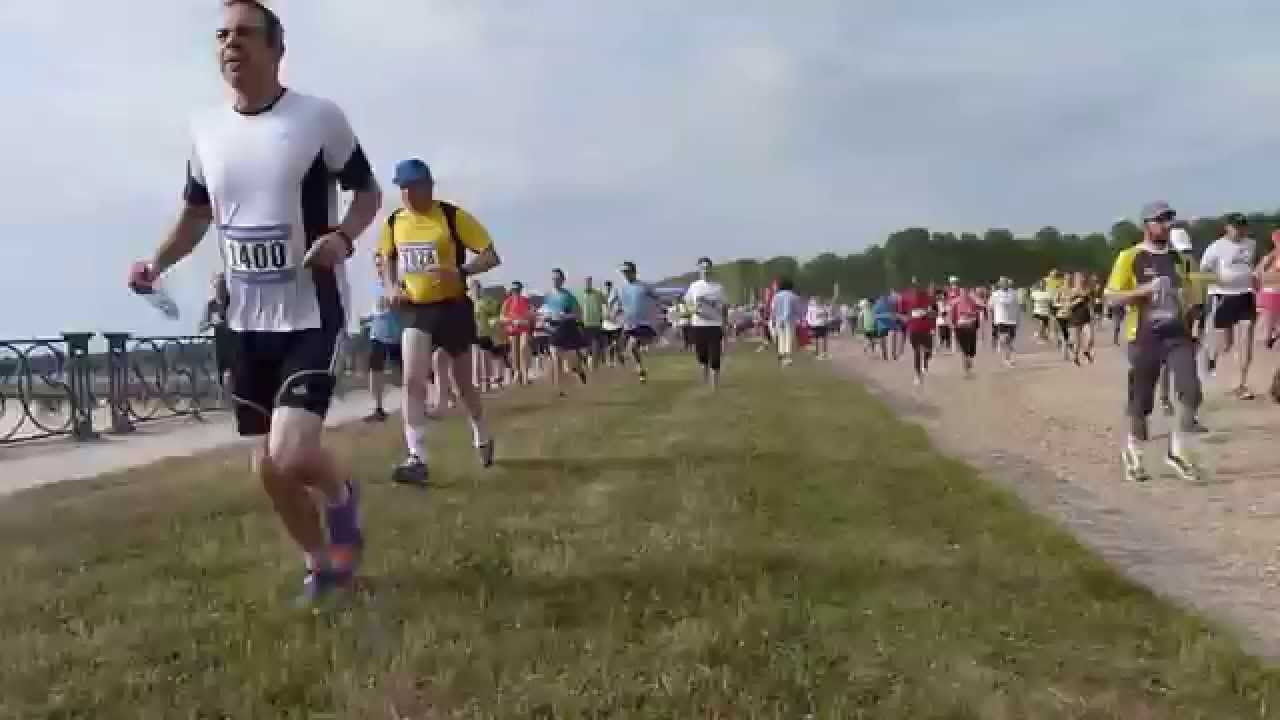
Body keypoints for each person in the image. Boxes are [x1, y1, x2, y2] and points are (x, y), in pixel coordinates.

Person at [127, 0, 382, 604]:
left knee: (292, 451)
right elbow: (196, 217)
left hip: (310, 310)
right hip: (243, 319)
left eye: (244, 35)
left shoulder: (320, 119)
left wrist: (343, 238)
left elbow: (367, 193)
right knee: (267, 467)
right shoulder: (205, 130)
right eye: (221, 36)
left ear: (276, 49)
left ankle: (344, 501)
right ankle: (322, 569)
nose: (230, 46)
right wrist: (156, 262)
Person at [378, 158, 500, 485]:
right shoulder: (394, 222)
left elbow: (491, 255)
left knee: (463, 384)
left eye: (412, 187)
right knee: (413, 378)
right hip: (417, 308)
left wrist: (460, 272)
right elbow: (385, 258)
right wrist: (390, 286)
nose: (405, 194)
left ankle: (481, 430)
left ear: (428, 186)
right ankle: (416, 456)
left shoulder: (451, 216)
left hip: (453, 306)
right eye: (401, 187)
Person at [1105, 201, 1203, 484]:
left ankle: (1178, 450)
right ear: (1146, 224)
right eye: (1160, 220)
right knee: (1141, 402)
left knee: (1191, 392)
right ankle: (1134, 453)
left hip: (1177, 335)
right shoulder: (1130, 256)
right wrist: (1145, 290)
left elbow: (1192, 294)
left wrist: (1192, 311)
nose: (1166, 225)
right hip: (1144, 336)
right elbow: (1111, 297)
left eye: (1169, 220)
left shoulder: (1179, 259)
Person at [1200, 212, 1258, 399]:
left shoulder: (1251, 244)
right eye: (1235, 226)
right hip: (1223, 295)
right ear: (1227, 227)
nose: (1239, 230)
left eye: (1242, 226)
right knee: (1225, 344)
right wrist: (1219, 281)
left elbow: (1250, 266)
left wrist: (1254, 278)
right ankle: (1209, 356)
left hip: (1245, 294)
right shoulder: (1216, 248)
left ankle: (1241, 383)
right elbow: (1204, 270)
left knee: (1246, 336)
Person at [539, 268, 590, 396]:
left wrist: (565, 316)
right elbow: (543, 312)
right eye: (553, 278)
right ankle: (560, 389)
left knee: (572, 363)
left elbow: (578, 314)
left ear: (563, 280)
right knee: (556, 358)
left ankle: (579, 371)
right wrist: (544, 319)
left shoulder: (568, 296)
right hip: (554, 330)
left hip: (568, 329)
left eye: (557, 278)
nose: (555, 281)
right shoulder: (547, 296)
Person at [364, 253, 402, 422]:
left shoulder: (399, 283)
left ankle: (422, 402)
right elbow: (373, 310)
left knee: (406, 372)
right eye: (378, 265)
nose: (380, 268)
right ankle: (378, 408)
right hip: (377, 334)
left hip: (397, 335)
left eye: (383, 264)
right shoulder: (372, 286)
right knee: (375, 370)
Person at [683, 257, 728, 387]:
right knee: (702, 358)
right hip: (698, 325)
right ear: (699, 269)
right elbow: (687, 303)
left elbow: (724, 306)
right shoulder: (694, 286)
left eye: (707, 267)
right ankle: (705, 383)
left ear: (711, 268)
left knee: (715, 357)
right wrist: (692, 311)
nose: (705, 270)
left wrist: (725, 323)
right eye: (702, 267)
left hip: (714, 325)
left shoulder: (718, 288)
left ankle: (715, 386)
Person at [616, 261, 661, 382]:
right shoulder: (622, 289)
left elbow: (657, 298)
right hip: (628, 323)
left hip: (643, 323)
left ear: (634, 272)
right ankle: (636, 368)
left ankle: (640, 369)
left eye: (628, 272)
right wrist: (616, 312)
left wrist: (655, 311)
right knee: (619, 347)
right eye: (624, 272)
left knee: (633, 346)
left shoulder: (644, 286)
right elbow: (620, 305)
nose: (626, 274)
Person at [198, 272, 234, 393]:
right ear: (214, 287)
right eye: (218, 286)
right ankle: (228, 403)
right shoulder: (211, 305)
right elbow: (201, 327)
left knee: (233, 378)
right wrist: (211, 323)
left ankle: (237, 404)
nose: (221, 289)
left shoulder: (233, 302)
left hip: (235, 345)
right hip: (219, 347)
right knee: (222, 380)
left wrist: (228, 323)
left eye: (223, 286)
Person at [471, 281, 508, 392]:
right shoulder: (469, 303)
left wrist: (495, 321)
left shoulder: (486, 301)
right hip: (473, 334)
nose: (475, 291)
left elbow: (498, 311)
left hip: (486, 333)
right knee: (476, 359)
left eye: (477, 288)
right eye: (473, 288)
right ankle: (478, 383)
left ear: (480, 289)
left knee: (485, 359)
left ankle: (487, 382)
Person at [898, 280, 935, 385]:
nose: (916, 286)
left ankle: (925, 363)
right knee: (917, 351)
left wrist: (930, 314)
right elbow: (900, 314)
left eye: (918, 283)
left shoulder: (927, 296)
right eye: (914, 284)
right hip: (914, 328)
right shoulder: (905, 297)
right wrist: (905, 318)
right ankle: (918, 375)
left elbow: (934, 312)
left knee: (928, 351)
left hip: (927, 328)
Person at [500, 281, 533, 384]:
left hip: (524, 328)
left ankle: (525, 374)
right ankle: (517, 372)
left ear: (521, 289)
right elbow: (502, 317)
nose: (516, 291)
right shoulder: (507, 301)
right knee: (514, 352)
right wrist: (512, 321)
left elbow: (532, 314)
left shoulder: (526, 300)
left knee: (523, 348)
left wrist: (527, 320)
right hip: (512, 329)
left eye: (518, 289)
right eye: (514, 289)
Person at [576, 276, 608, 371]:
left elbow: (606, 302)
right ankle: (585, 362)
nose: (588, 283)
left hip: (595, 323)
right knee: (584, 347)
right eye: (586, 282)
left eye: (589, 281)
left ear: (591, 282)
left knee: (595, 345)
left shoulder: (598, 293)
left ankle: (594, 368)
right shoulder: (579, 294)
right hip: (582, 323)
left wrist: (606, 313)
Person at [949, 286, 981, 377]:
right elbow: (952, 316)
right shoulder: (955, 302)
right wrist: (953, 327)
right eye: (963, 290)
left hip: (971, 328)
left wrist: (977, 325)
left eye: (967, 290)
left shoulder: (973, 301)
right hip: (960, 328)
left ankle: (968, 362)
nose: (965, 292)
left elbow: (978, 313)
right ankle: (966, 371)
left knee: (971, 352)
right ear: (960, 291)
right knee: (964, 350)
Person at [769, 278, 803, 366]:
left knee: (781, 337)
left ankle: (781, 354)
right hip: (790, 320)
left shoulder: (776, 296)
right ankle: (787, 357)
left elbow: (773, 309)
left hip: (779, 319)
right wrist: (800, 318)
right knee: (789, 338)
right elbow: (798, 310)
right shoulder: (794, 296)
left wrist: (772, 319)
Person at [989, 277, 1020, 367]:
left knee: (1010, 340)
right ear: (1000, 284)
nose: (1004, 284)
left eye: (1005, 283)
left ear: (1008, 284)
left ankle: (1008, 356)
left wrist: (1018, 320)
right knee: (1004, 339)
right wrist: (993, 319)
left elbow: (1017, 307)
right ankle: (1008, 359)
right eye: (1002, 283)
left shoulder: (1014, 293)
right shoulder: (995, 294)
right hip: (1000, 320)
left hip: (1012, 320)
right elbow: (990, 307)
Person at [1066, 272, 1095, 365]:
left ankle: (1086, 351)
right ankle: (1075, 357)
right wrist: (1077, 301)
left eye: (1082, 278)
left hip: (1086, 318)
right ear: (1075, 280)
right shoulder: (1071, 291)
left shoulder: (1087, 290)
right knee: (1077, 343)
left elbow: (1090, 303)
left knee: (1090, 338)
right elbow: (1067, 306)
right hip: (1075, 319)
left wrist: (1092, 312)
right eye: (1079, 278)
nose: (1081, 280)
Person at [805, 293, 834, 359]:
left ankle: (819, 353)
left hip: (815, 324)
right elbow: (821, 314)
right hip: (820, 324)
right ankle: (822, 353)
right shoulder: (815, 307)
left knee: (818, 339)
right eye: (817, 299)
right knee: (823, 338)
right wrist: (825, 313)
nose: (818, 300)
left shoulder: (810, 307)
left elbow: (808, 317)